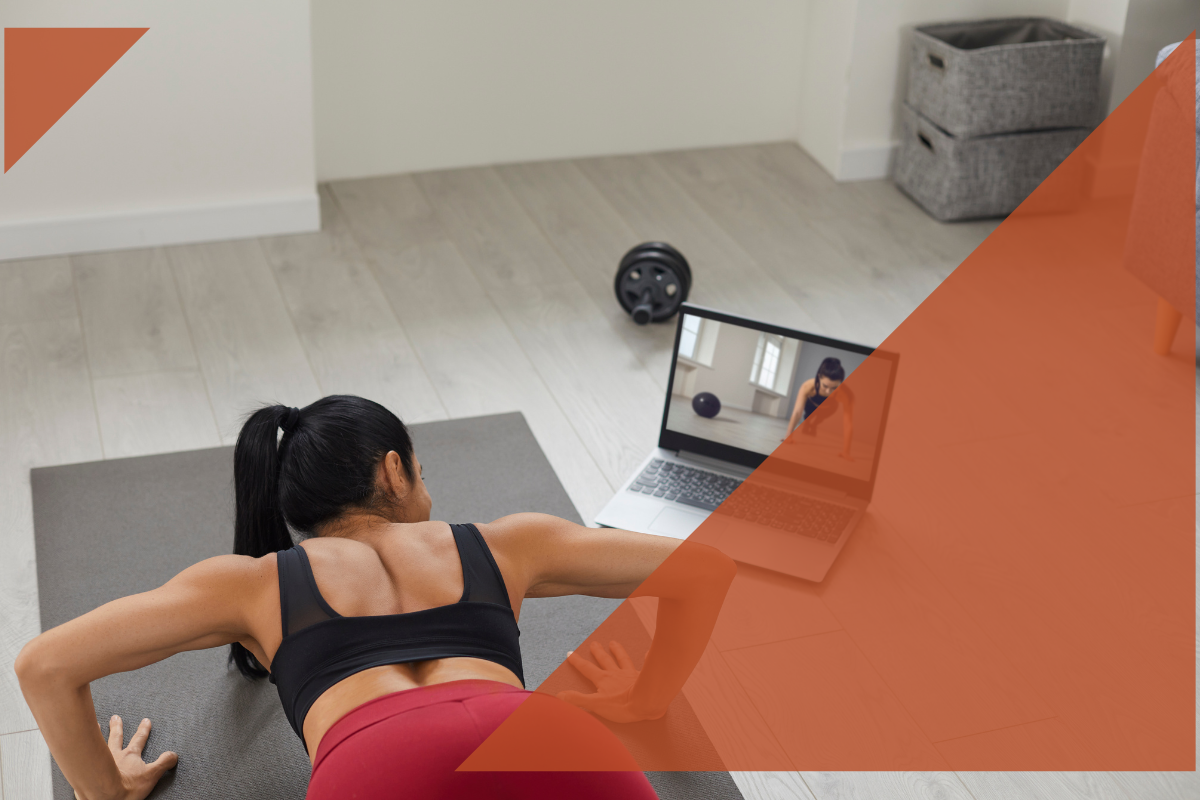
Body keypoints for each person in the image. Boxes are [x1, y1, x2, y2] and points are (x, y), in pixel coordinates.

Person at [16, 395, 736, 800]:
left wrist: (104, 795)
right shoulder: (509, 543)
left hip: (377, 767)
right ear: (394, 471)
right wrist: (646, 697)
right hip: (543, 741)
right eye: (422, 468)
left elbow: (44, 665)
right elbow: (704, 570)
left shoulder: (252, 582)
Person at [782, 357, 856, 461]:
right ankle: (807, 423)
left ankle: (813, 425)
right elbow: (797, 411)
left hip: (828, 408)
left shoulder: (846, 395)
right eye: (825, 386)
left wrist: (846, 452)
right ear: (819, 377)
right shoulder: (808, 386)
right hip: (811, 404)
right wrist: (788, 436)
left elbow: (848, 423)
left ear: (840, 383)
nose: (828, 391)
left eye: (834, 388)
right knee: (807, 417)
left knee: (818, 419)